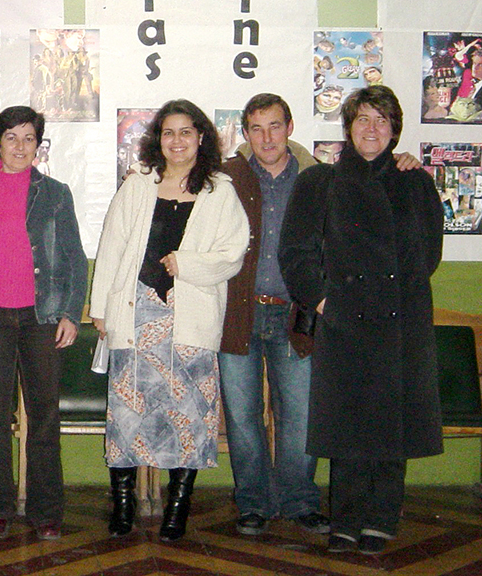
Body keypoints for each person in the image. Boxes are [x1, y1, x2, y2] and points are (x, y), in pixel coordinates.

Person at [219, 93, 425, 539]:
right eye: (256, 128)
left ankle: (299, 501)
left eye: (275, 125)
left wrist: (318, 301)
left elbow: (421, 253)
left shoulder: (313, 174)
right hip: (241, 312)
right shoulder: (227, 178)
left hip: (298, 317)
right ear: (245, 133)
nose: (266, 136)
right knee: (241, 416)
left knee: (301, 415)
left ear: (290, 127)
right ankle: (253, 503)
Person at [279, 85, 444, 555]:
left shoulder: (415, 181)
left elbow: (429, 253)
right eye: (363, 119)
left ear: (394, 131)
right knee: (348, 426)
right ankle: (346, 520)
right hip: (345, 320)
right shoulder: (319, 183)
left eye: (382, 120)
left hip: (401, 321)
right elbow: (295, 252)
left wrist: (400, 296)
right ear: (348, 128)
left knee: (393, 426)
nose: (372, 128)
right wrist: (324, 301)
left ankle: (381, 517)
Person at [89, 99, 249, 542]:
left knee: (190, 416)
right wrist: (101, 309)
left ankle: (178, 508)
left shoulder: (220, 190)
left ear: (201, 136)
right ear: (158, 140)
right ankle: (122, 505)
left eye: (185, 132)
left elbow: (232, 254)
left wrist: (187, 263)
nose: (176, 141)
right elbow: (112, 248)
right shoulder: (139, 185)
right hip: (134, 315)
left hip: (190, 318)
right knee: (125, 416)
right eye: (168, 133)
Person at [0, 106, 88, 541]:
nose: (21, 146)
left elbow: (74, 259)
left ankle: (46, 511)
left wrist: (70, 313)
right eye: (12, 138)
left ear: (38, 145)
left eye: (30, 138)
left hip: (42, 317)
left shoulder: (57, 193)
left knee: (44, 416)